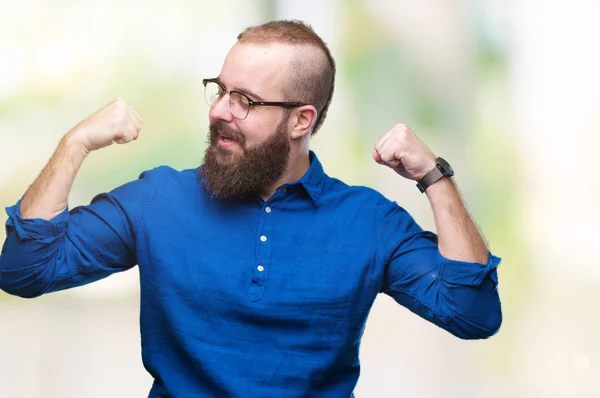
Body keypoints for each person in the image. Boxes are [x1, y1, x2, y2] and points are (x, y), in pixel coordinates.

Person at [0, 20, 501, 397]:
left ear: (301, 119)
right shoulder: (159, 200)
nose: (219, 110)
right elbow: (24, 270)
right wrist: (74, 144)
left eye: (244, 99)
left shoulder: (368, 221)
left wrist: (433, 177)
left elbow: (472, 313)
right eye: (220, 90)